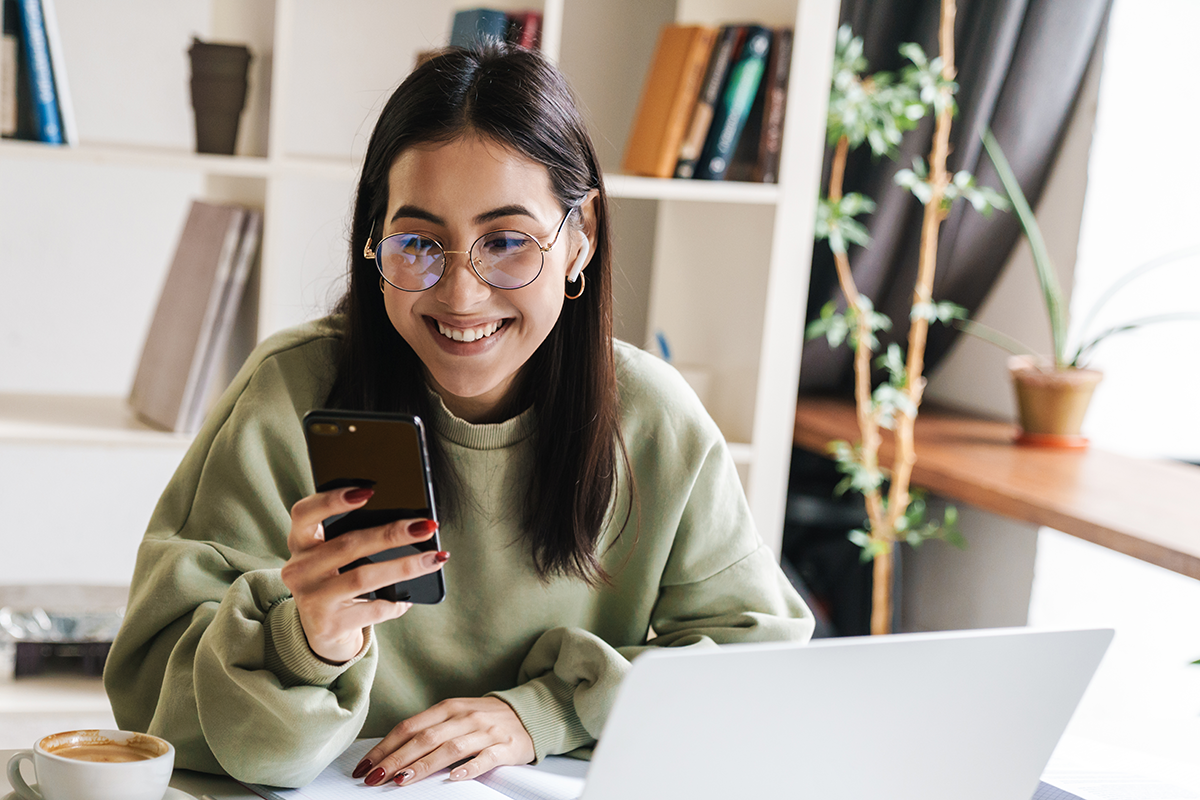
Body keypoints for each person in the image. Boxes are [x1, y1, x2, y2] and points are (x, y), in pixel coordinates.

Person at [103, 43, 813, 789]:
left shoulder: (656, 421)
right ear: (375, 242)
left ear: (582, 238)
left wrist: (543, 715)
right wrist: (310, 643)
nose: (461, 295)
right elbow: (155, 715)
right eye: (419, 244)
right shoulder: (287, 396)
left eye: (506, 242)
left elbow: (758, 667)